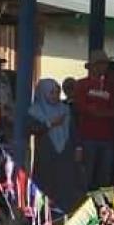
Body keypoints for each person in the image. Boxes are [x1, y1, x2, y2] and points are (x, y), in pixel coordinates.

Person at [28, 78, 85, 214]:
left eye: (57, 93)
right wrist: (50, 123)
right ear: (43, 93)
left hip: (65, 150)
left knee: (65, 179)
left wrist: (78, 147)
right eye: (51, 93)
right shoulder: (35, 110)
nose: (55, 96)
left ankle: (64, 210)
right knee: (46, 180)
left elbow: (73, 129)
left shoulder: (65, 109)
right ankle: (44, 212)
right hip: (46, 151)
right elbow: (33, 129)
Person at [74, 50, 114, 190]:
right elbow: (80, 107)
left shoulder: (111, 86)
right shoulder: (81, 84)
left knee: (104, 177)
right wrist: (102, 112)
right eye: (101, 63)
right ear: (92, 66)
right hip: (87, 137)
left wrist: (97, 112)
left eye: (105, 64)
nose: (104, 67)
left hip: (107, 138)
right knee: (86, 176)